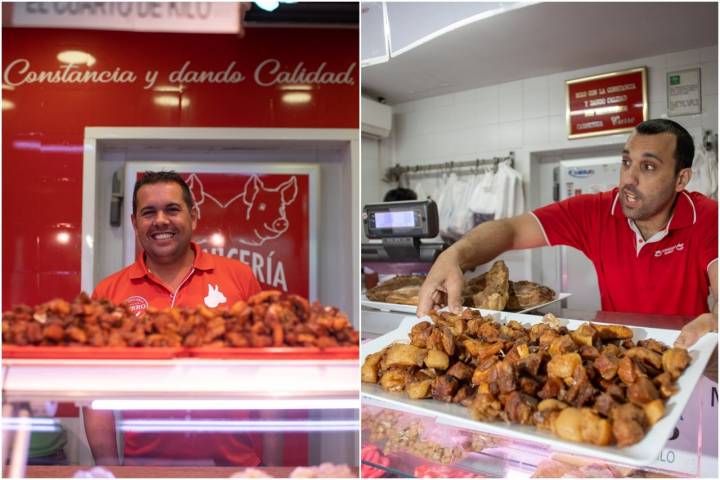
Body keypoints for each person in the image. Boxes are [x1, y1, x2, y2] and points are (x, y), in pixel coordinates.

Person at [417, 119, 718, 349]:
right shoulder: (595, 212)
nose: (629, 178)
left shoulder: (707, 217)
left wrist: (714, 318)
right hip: (619, 354)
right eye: (626, 162)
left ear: (681, 179)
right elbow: (509, 230)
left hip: (690, 352)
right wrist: (454, 254)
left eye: (648, 166)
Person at [83, 171, 264, 466]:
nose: (161, 221)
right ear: (134, 222)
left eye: (172, 209)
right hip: (145, 467)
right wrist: (110, 472)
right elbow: (95, 396)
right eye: (148, 212)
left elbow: (270, 376)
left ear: (193, 216)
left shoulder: (239, 278)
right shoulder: (109, 293)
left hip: (236, 466)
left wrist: (272, 467)